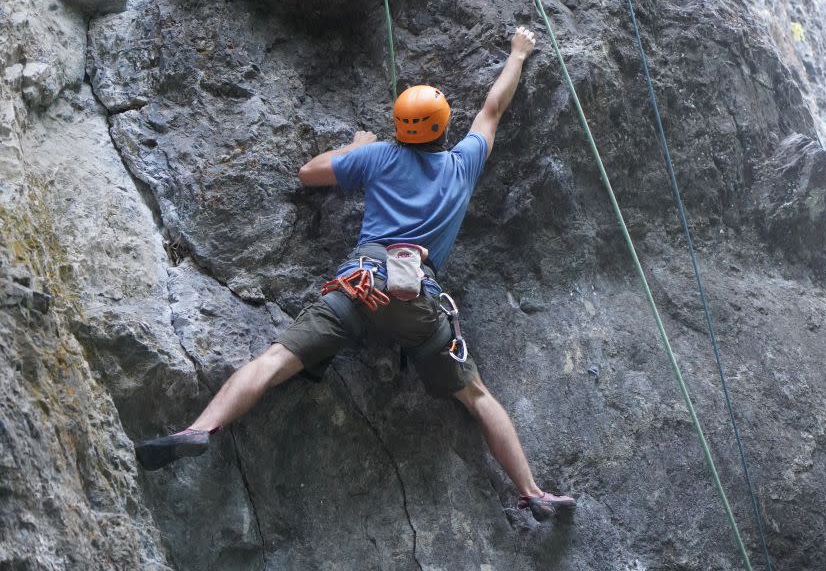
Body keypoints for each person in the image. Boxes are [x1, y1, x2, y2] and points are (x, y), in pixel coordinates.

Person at [136, 26, 576, 522]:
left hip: (359, 287)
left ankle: (202, 428)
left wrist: (353, 145)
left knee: (276, 360)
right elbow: (492, 109)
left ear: (400, 127)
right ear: (442, 127)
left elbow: (309, 172)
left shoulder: (378, 156)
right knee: (475, 396)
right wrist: (518, 53)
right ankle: (533, 492)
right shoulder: (463, 164)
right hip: (416, 298)